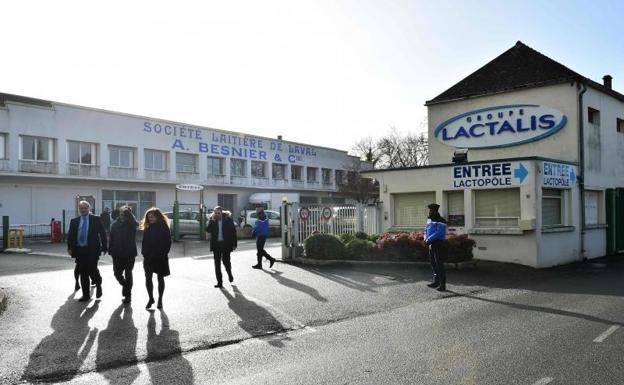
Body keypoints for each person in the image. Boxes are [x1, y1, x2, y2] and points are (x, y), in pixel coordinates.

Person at [67, 201, 107, 301]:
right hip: (80, 250)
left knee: (93, 270)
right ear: (79, 209)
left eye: (85, 208)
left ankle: (98, 284)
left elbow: (102, 233)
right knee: (83, 272)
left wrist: (105, 246)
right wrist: (70, 248)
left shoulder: (96, 219)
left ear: (89, 209)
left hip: (92, 250)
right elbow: (70, 236)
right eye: (81, 208)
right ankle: (86, 295)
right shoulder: (74, 221)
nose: (83, 210)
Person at [141, 207, 172, 309]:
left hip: (160, 257)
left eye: (152, 217)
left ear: (157, 217)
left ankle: (160, 300)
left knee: (160, 278)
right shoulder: (147, 227)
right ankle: (150, 298)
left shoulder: (164, 227)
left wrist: (162, 253)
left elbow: (168, 242)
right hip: (148, 258)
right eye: (149, 217)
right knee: (148, 279)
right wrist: (144, 253)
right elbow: (144, 242)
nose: (150, 218)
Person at [108, 206, 138, 304]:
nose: (122, 216)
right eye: (121, 214)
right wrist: (110, 250)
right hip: (117, 253)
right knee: (117, 273)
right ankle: (126, 286)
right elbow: (111, 238)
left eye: (124, 214)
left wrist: (129, 214)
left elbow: (135, 224)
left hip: (129, 253)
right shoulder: (114, 224)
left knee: (128, 273)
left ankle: (128, 295)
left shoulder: (131, 224)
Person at [206, 206, 237, 288]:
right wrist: (212, 220)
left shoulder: (228, 220)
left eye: (218, 213)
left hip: (226, 244)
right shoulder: (213, 220)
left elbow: (233, 232)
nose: (217, 214)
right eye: (215, 213)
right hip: (216, 245)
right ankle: (219, 282)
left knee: (226, 262)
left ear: (221, 212)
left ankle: (229, 273)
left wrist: (234, 244)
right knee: (217, 264)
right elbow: (208, 230)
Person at [424, 203, 448, 292]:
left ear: (435, 211)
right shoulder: (429, 220)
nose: (429, 212)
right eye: (429, 210)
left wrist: (428, 240)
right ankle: (436, 282)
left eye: (431, 210)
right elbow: (425, 230)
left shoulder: (441, 220)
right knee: (433, 264)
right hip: (431, 244)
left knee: (439, 265)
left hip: (438, 244)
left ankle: (443, 285)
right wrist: (425, 238)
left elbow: (438, 233)